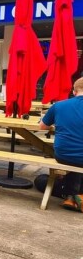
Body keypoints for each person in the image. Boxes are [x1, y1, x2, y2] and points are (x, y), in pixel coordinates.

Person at [39, 77, 83, 211]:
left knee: (41, 180)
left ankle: (70, 194)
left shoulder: (59, 105)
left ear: (74, 92)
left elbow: (42, 127)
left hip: (63, 155)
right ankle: (76, 194)